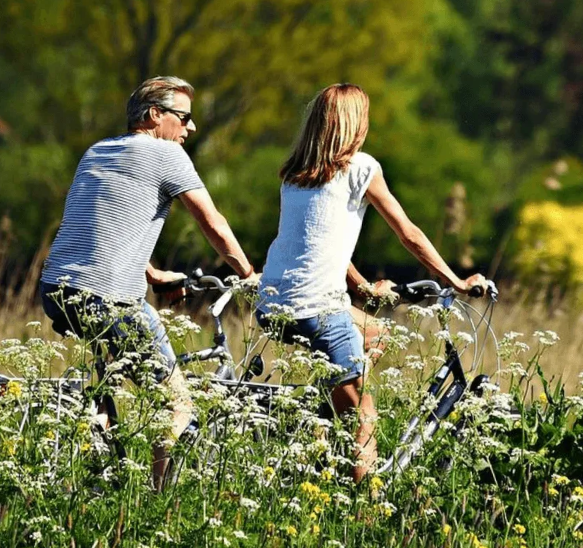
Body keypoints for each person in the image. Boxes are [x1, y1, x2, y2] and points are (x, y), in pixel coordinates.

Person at [256, 83, 487, 483]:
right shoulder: (361, 167)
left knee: (374, 331)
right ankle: (367, 513)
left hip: (273, 300)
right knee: (365, 418)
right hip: (317, 306)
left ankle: (325, 419)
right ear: (353, 124)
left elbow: (317, 244)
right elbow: (408, 233)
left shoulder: (295, 175)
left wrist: (361, 287)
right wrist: (457, 281)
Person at [40, 76, 258, 489]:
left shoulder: (97, 151)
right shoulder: (165, 154)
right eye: (184, 118)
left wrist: (154, 274)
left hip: (56, 287)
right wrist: (248, 275)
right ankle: (158, 502)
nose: (190, 128)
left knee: (109, 383)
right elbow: (212, 222)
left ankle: (96, 464)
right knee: (175, 407)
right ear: (155, 115)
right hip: (108, 296)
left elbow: (101, 226)